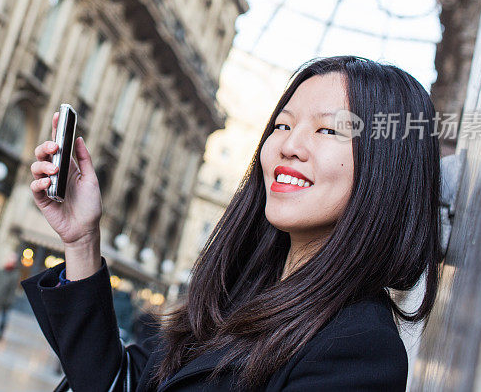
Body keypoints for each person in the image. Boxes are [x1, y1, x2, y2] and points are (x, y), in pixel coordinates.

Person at [23, 55, 442, 391]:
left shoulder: (359, 348)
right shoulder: (238, 290)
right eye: (283, 124)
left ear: (387, 167)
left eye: (329, 130)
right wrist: (81, 240)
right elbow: (118, 383)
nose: (289, 146)